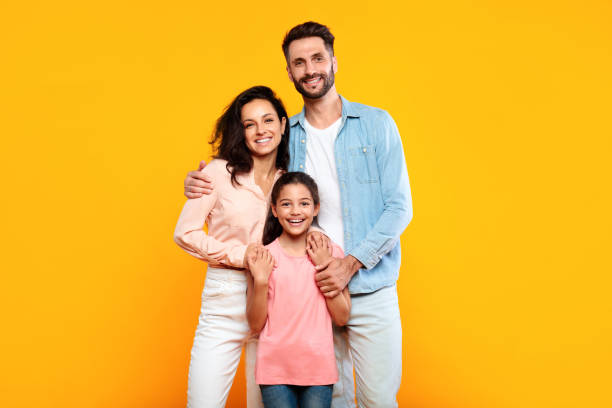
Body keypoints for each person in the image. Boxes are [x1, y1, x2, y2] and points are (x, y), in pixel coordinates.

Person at [184, 22, 413, 408]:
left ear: (334, 61)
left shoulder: (376, 124)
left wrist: (350, 264)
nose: (310, 70)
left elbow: (399, 208)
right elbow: (249, 170)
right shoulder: (285, 134)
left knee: (378, 399)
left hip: (370, 286)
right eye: (299, 63)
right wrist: (204, 179)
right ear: (289, 72)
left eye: (318, 58)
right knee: (330, 400)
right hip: (307, 294)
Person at [174, 85, 290, 408]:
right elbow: (185, 232)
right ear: (241, 131)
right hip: (224, 299)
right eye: (250, 124)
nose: (260, 130)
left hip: (274, 303)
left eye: (268, 120)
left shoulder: (291, 179)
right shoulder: (216, 174)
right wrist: (242, 256)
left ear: (282, 125)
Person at [246, 172, 351, 408]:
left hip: (318, 370)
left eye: (304, 203)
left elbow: (342, 317)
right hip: (274, 371)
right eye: (286, 204)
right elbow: (254, 324)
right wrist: (261, 280)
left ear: (316, 209)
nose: (295, 211)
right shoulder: (263, 256)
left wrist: (324, 265)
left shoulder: (330, 252)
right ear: (274, 210)